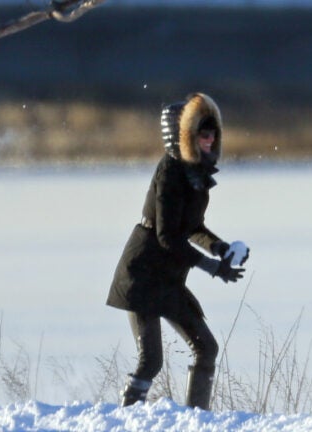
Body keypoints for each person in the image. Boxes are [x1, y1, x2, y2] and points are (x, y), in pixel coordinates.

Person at [106, 92, 249, 410]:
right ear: (184, 136)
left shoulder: (196, 174)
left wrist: (220, 248)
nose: (210, 139)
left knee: (206, 348)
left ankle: (197, 418)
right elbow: (167, 236)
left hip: (168, 278)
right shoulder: (170, 171)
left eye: (213, 133)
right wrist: (212, 267)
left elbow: (192, 227)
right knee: (150, 362)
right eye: (203, 133)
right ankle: (125, 417)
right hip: (143, 276)